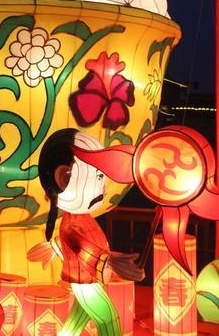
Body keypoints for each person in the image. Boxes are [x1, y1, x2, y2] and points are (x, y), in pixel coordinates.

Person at [38, 128, 143, 336]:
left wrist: (54, 248)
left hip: (87, 280)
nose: (103, 189)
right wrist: (112, 261)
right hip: (85, 283)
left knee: (76, 321)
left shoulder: (78, 220)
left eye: (102, 178)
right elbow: (84, 249)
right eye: (97, 178)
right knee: (108, 320)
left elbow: (70, 245)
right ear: (63, 178)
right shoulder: (72, 225)